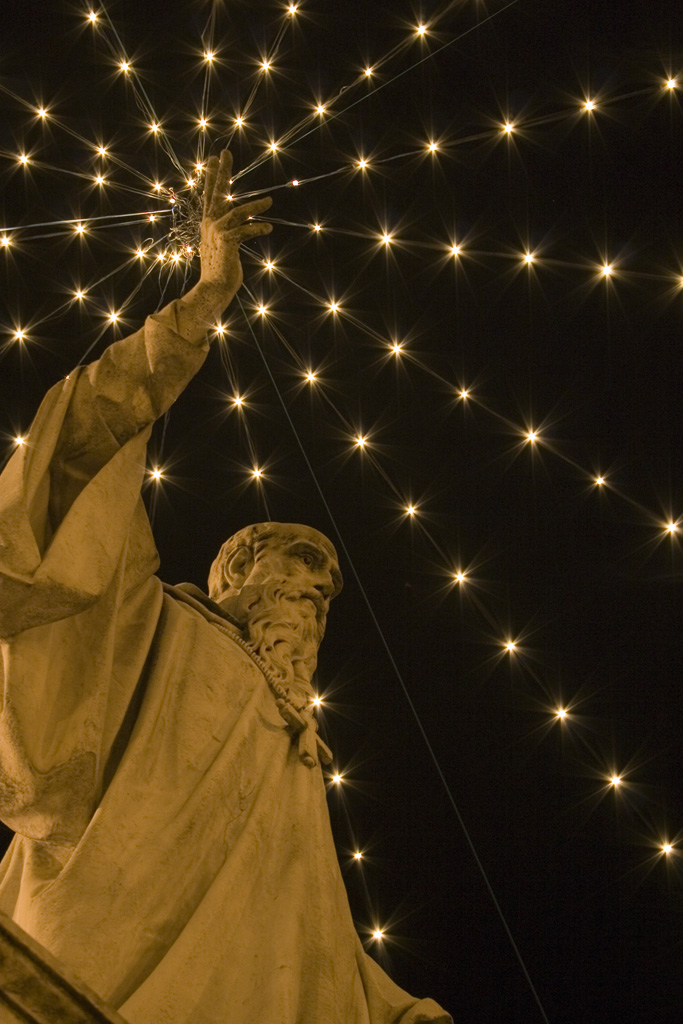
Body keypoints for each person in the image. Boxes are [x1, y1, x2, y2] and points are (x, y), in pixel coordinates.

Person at [0, 151, 453, 1024]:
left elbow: (303, 921)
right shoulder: (157, 628)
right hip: (99, 977)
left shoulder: (300, 743)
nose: (311, 599)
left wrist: (392, 1008)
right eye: (296, 570)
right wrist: (201, 305)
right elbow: (79, 455)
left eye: (323, 594)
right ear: (236, 574)